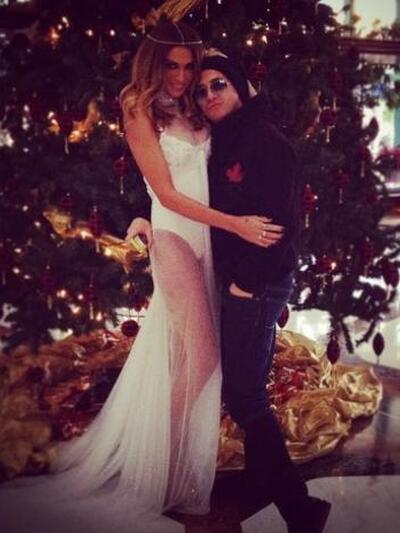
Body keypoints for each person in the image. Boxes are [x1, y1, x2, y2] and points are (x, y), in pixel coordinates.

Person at [0, 21, 282, 533]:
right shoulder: (137, 105)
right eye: (171, 65)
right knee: (203, 358)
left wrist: (148, 213)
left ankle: (170, 466)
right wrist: (234, 224)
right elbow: (167, 192)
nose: (181, 75)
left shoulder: (197, 102)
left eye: (189, 65)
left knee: (182, 358)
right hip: (176, 237)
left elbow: (213, 161)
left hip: (211, 243)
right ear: (154, 62)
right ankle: (163, 474)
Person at [130, 54, 332, 533]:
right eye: (201, 90)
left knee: (243, 393)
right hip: (236, 277)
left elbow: (279, 226)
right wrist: (143, 212)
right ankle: (268, 487)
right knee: (244, 386)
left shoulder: (265, 140)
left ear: (240, 86)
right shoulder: (226, 134)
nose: (208, 95)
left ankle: (301, 509)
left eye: (219, 84)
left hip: (255, 283)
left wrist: (246, 285)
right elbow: (177, 182)